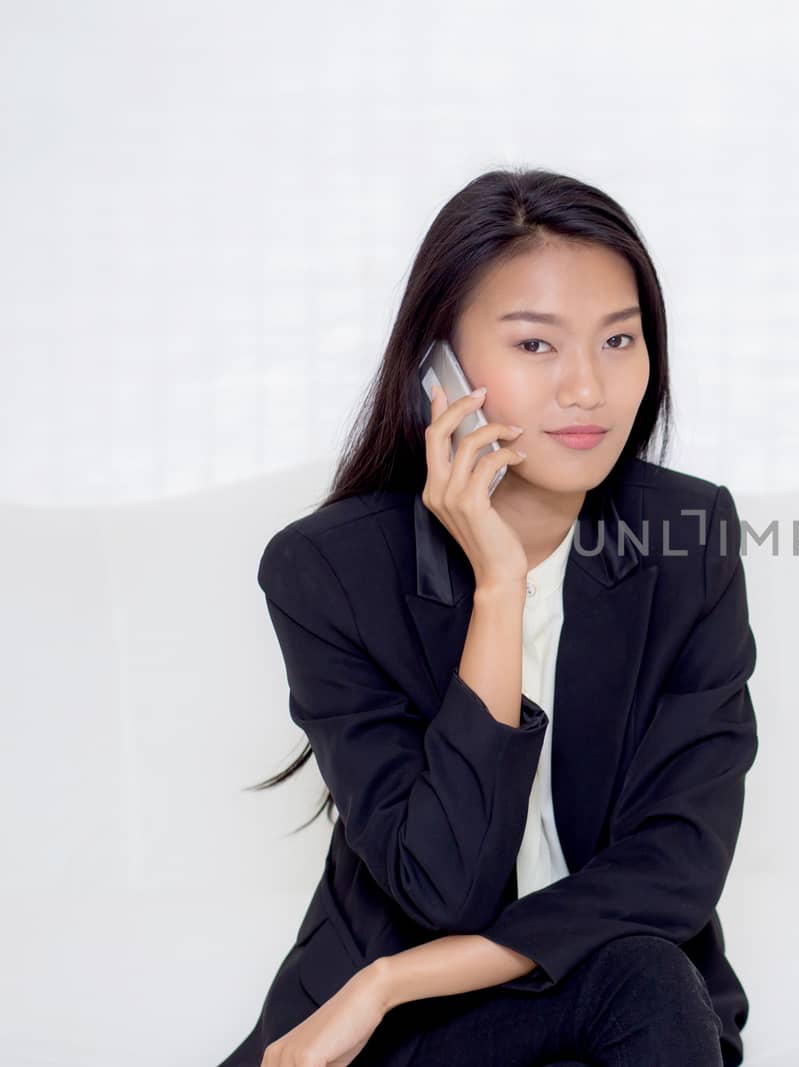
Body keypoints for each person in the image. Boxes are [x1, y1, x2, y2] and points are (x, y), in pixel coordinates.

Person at [219, 168, 759, 1067]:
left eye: (619, 339)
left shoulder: (687, 538)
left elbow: (675, 869)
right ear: (441, 368)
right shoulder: (329, 572)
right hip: (400, 1045)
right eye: (537, 346)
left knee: (645, 973)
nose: (588, 388)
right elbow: (445, 882)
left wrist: (390, 978)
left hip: (611, 1016)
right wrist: (498, 590)